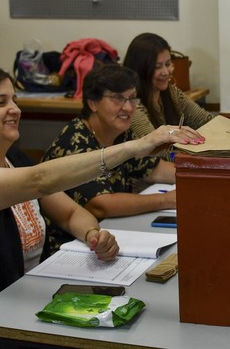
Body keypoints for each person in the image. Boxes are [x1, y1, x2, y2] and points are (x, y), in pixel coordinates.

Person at [0, 65, 202, 349]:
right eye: (1, 102)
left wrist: (92, 234)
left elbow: (70, 210)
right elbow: (40, 180)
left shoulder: (12, 158)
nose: (15, 109)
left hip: (9, 308)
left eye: (14, 99)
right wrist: (135, 146)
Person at [42, 64, 202, 254]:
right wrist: (166, 200)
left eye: (132, 98)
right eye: (118, 98)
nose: (128, 107)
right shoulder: (76, 140)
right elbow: (102, 205)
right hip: (73, 246)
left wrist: (200, 179)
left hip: (111, 234)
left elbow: (154, 169)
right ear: (93, 103)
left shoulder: (120, 133)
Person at [123, 32, 214, 139]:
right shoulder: (132, 104)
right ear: (140, 69)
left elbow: (207, 121)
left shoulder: (172, 93)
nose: (166, 72)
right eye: (157, 67)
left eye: (168, 64)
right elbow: (151, 145)